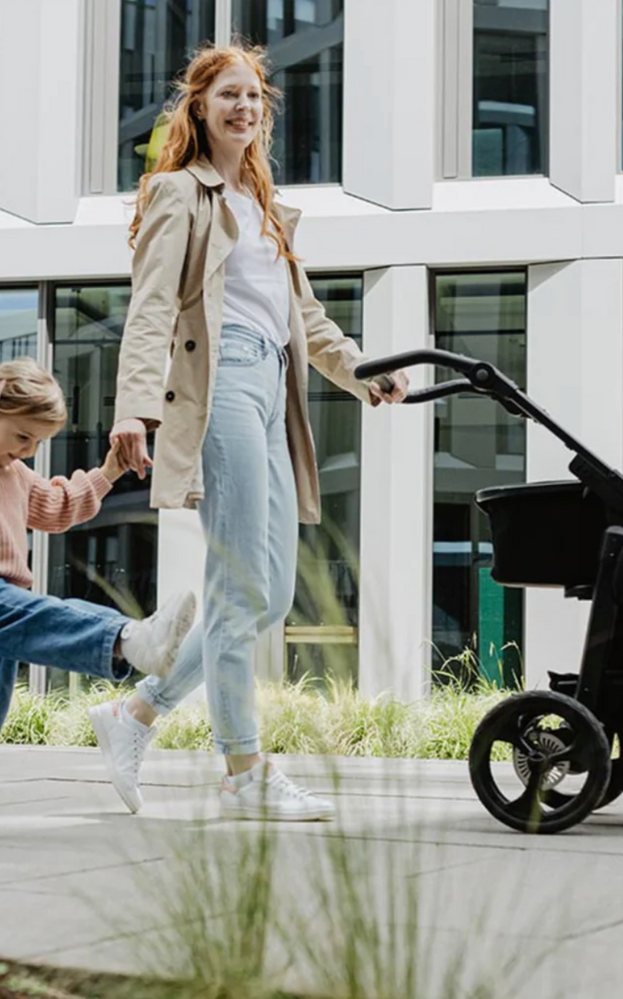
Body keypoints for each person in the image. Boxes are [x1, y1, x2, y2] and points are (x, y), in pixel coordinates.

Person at [89, 41, 409, 822]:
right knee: (244, 583)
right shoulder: (179, 193)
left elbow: (305, 321)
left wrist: (363, 369)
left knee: (260, 596)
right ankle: (242, 771)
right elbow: (152, 307)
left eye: (254, 97)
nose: (244, 108)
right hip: (221, 378)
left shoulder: (266, 209)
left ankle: (137, 712)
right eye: (227, 94)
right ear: (198, 107)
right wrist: (135, 405)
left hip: (274, 385)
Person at [0, 358, 197, 838]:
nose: (29, 451)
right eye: (23, 437)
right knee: (50, 615)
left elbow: (58, 507)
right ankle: (127, 638)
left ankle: (128, 638)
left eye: (39, 443)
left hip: (4, 608)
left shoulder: (15, 474)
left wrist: (107, 471)